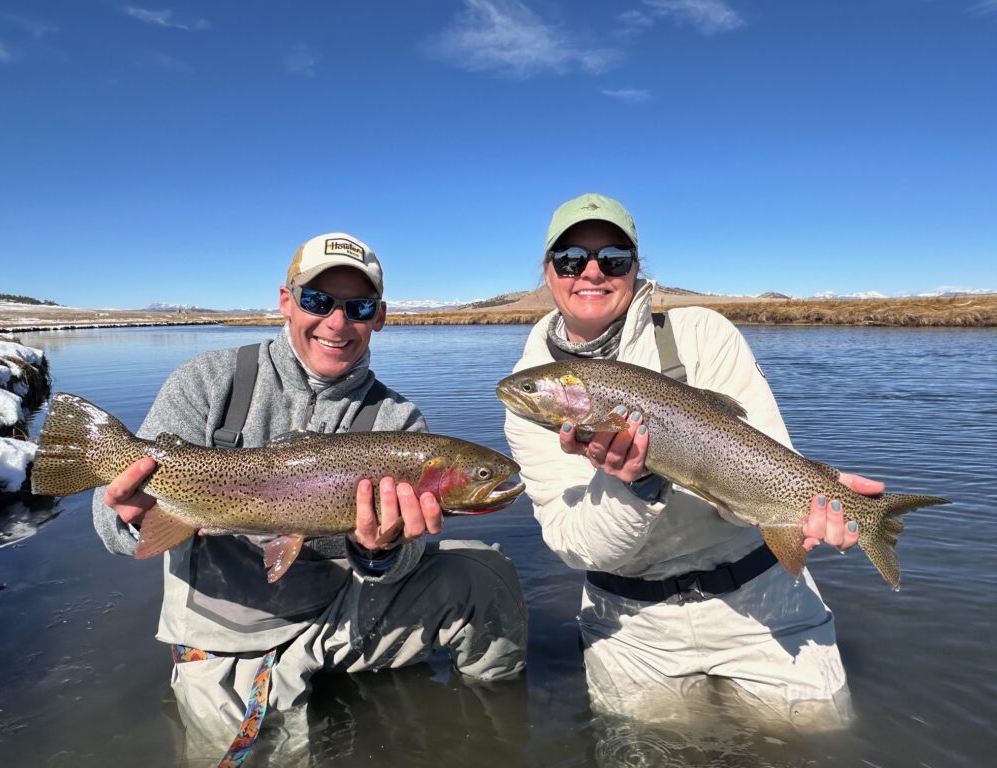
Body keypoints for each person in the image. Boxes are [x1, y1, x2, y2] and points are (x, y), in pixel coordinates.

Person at [92, 232, 527, 761]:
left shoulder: (400, 422)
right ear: (286, 301)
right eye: (318, 301)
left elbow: (408, 555)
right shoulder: (208, 383)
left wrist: (380, 551)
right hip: (225, 639)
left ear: (380, 316)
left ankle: (499, 728)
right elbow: (109, 521)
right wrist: (132, 518)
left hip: (340, 615)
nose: (337, 323)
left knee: (485, 574)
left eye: (358, 307)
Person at [503, 193, 883, 731]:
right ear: (548, 273)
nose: (591, 271)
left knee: (818, 745)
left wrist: (807, 499)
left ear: (635, 268)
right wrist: (631, 486)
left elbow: (762, 465)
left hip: (764, 602)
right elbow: (575, 545)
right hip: (630, 625)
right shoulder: (530, 395)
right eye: (570, 260)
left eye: (612, 257)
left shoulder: (704, 334)